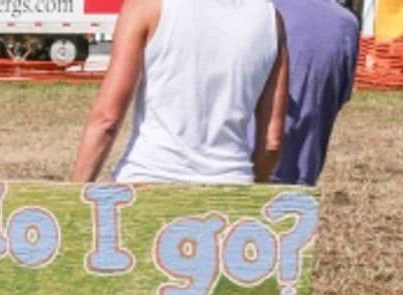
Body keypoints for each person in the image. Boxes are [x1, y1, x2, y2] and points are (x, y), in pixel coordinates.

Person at [71, 0, 290, 185]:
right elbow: (272, 142)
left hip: (148, 180)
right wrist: (251, 191)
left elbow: (106, 120)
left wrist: (72, 201)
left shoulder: (146, 6)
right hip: (231, 186)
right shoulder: (271, 19)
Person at [266, 0, 359, 185]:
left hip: (234, 174)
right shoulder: (346, 24)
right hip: (302, 179)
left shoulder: (253, 11)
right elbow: (336, 97)